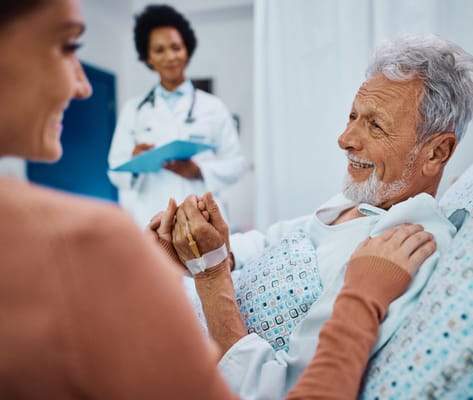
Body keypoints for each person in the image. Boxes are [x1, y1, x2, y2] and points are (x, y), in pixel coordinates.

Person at [0, 1, 437, 399]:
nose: (83, 86)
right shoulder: (98, 232)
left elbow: (237, 171)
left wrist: (200, 188)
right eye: (68, 44)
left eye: (374, 126)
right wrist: (206, 270)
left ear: (438, 152)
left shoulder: (210, 110)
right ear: (147, 58)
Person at [153, 34, 473, 399]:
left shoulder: (399, 249)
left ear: (436, 152)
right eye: (353, 116)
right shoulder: (354, 202)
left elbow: (279, 389)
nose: (344, 138)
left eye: (375, 125)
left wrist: (210, 274)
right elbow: (274, 240)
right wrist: (201, 247)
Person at [107, 4, 247, 228]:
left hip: (203, 218)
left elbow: (237, 164)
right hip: (152, 218)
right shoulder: (133, 110)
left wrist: (200, 171)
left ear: (187, 50)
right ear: (148, 57)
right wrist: (135, 163)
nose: (170, 56)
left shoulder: (213, 107)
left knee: (210, 263)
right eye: (159, 50)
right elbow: (115, 169)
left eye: (176, 47)